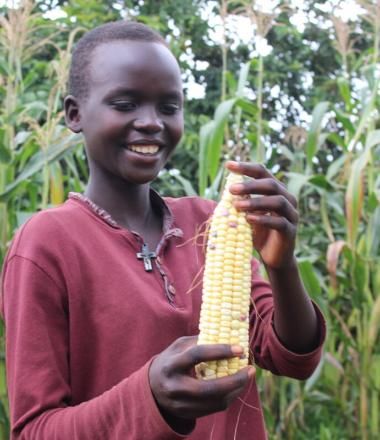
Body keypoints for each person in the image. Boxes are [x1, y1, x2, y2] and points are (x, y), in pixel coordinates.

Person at [1, 20, 325, 439]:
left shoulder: (208, 222)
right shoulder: (47, 244)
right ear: (74, 113)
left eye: (169, 107)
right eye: (125, 103)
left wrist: (282, 266)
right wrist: (149, 396)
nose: (152, 122)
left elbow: (291, 357)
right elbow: (34, 430)